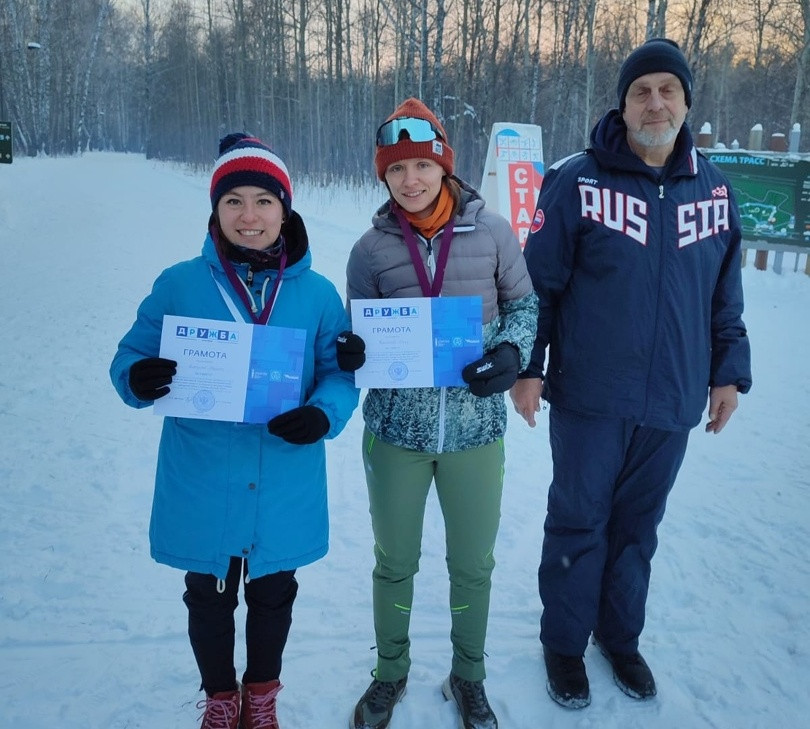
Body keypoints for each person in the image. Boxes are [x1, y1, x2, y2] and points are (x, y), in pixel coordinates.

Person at [510, 38, 752, 709]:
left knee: (638, 527)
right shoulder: (578, 181)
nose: (655, 102)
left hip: (673, 398)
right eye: (641, 91)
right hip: (591, 394)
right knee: (579, 517)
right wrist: (529, 366)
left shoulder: (715, 191)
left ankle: (619, 635)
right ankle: (563, 641)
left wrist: (728, 372)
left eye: (666, 90)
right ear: (621, 104)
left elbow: (724, 297)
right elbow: (540, 287)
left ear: (685, 102)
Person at [109, 133, 359, 729]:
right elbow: (128, 359)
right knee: (210, 592)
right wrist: (138, 378)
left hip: (283, 474)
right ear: (216, 210)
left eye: (264, 202)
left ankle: (262, 694)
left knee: (274, 593)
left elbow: (338, 375)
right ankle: (221, 698)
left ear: (285, 209)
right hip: (204, 473)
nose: (250, 216)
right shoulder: (180, 284)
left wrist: (324, 412)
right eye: (235, 202)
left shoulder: (319, 294)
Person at [336, 98, 539, 729]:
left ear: (443, 165)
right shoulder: (370, 249)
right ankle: (390, 674)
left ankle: (467, 675)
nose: (412, 180)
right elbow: (357, 333)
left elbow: (525, 308)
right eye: (397, 170)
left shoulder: (495, 232)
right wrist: (351, 351)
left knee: (471, 565)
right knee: (394, 562)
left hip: (475, 433)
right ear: (384, 176)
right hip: (397, 433)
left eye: (423, 164)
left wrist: (511, 353)